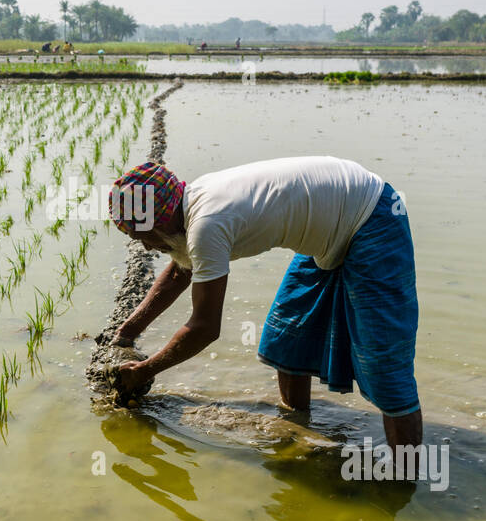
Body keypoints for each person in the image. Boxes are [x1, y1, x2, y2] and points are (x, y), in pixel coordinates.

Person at [108, 157, 422, 454]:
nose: (148, 247)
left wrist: (144, 372)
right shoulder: (194, 201)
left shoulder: (206, 225)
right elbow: (180, 271)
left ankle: (403, 483)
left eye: (144, 236)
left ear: (161, 219)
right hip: (332, 223)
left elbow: (204, 328)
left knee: (383, 362)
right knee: (286, 339)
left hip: (371, 218)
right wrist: (127, 331)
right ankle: (299, 431)